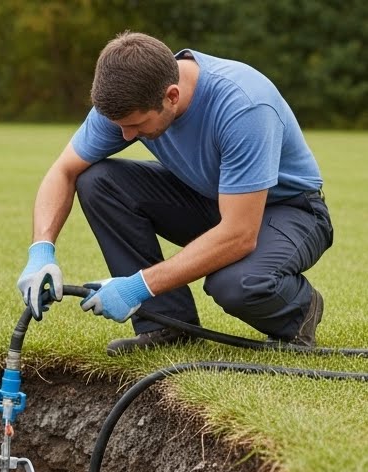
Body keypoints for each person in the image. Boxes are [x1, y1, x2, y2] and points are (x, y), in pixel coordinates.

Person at [17, 30, 333, 355]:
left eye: (137, 125)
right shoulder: (124, 101)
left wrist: (137, 286)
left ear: (171, 95)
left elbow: (239, 234)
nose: (126, 134)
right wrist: (41, 251)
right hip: (209, 199)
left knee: (235, 284)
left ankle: (298, 311)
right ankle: (166, 324)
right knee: (97, 180)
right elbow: (63, 171)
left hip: (288, 210)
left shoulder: (244, 106)